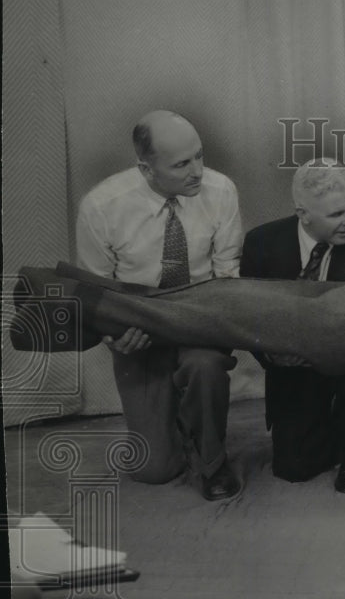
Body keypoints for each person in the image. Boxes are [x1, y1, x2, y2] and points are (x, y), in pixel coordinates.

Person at [76, 110, 243, 501]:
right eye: (182, 163)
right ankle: (178, 427)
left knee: (204, 367)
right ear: (145, 168)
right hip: (137, 328)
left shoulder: (221, 192)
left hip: (201, 316)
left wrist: (212, 326)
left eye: (200, 156)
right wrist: (113, 337)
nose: (198, 171)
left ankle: (213, 462)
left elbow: (227, 279)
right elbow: (96, 292)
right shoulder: (101, 207)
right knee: (154, 470)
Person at [240, 159, 345, 492]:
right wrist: (271, 356)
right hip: (295, 370)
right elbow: (246, 317)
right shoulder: (261, 244)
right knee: (294, 469)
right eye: (336, 214)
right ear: (303, 213)